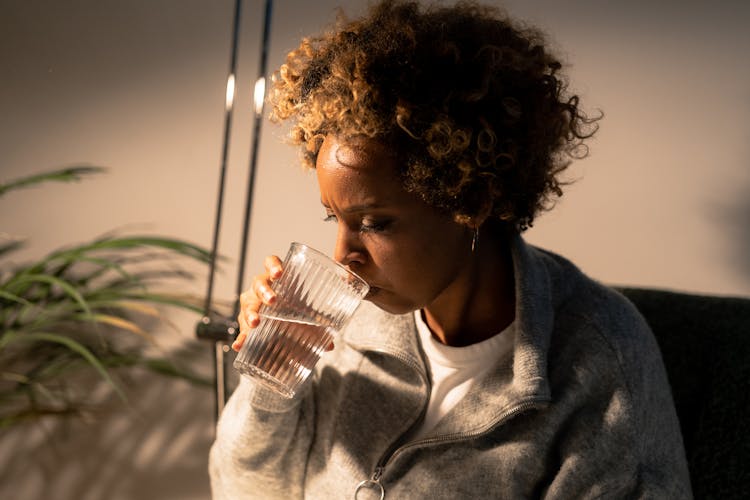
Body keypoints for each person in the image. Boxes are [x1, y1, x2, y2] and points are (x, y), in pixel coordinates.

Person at [209, 1, 692, 498]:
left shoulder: (597, 357)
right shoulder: (338, 323)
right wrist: (272, 381)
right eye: (336, 219)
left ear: (473, 200)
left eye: (375, 222)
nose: (343, 256)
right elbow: (243, 490)